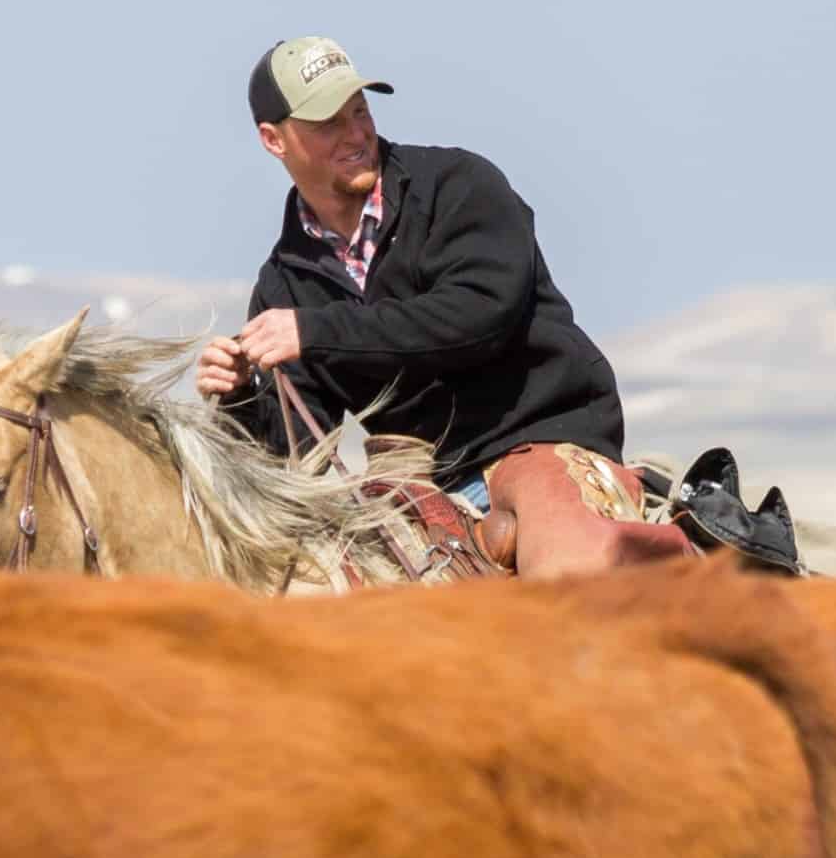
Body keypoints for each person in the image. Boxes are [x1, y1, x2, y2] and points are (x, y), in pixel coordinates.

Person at [194, 36, 690, 576]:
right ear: (273, 139)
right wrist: (241, 394)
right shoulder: (284, 284)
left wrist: (316, 330)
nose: (356, 133)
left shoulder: (460, 187)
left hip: (539, 440)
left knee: (570, 582)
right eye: (327, 123)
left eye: (359, 111)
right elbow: (295, 455)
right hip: (416, 486)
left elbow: (478, 317)